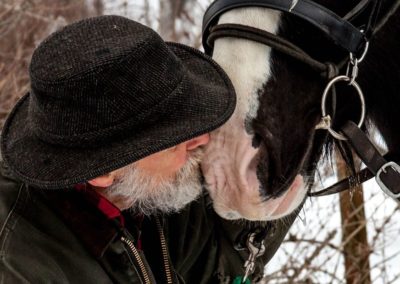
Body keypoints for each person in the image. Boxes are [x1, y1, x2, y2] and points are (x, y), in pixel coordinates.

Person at [0, 15, 294, 283]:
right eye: (174, 138)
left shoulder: (143, 191)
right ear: (104, 171)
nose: (201, 139)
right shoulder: (21, 269)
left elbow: (218, 260)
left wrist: (284, 151)